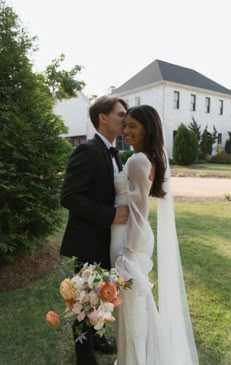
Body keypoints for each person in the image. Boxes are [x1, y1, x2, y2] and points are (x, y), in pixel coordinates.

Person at [110, 105, 199, 365]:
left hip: (130, 239)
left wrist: (126, 256)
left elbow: (139, 213)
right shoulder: (146, 157)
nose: (126, 131)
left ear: (148, 129)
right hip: (134, 237)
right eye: (124, 125)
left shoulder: (138, 160)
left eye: (133, 126)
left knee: (133, 306)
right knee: (137, 304)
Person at [60, 95, 129, 365]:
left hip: (108, 240)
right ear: (103, 117)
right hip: (88, 240)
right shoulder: (87, 151)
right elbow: (69, 196)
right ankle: (84, 356)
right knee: (83, 301)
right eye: (120, 114)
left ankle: (98, 339)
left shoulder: (114, 153)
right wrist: (111, 215)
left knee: (103, 294)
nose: (125, 119)